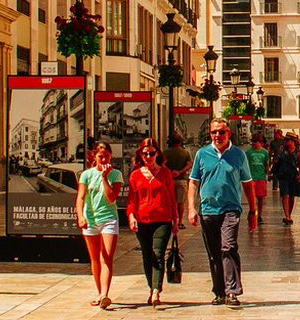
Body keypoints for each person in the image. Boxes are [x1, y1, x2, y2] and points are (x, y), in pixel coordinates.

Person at [188, 121, 249, 306]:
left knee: (228, 247)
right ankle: (219, 292)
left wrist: (253, 211)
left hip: (231, 209)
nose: (217, 135)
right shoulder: (202, 154)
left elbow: (247, 183)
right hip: (208, 210)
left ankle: (232, 291)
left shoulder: (238, 154)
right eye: (214, 132)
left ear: (228, 133)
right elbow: (193, 181)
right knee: (214, 252)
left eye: (221, 132)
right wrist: (191, 208)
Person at [123, 139, 178, 307]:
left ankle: (155, 291)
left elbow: (172, 198)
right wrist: (131, 216)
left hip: (163, 219)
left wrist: (176, 221)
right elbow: (131, 198)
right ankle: (152, 287)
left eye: (152, 153)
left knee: (158, 255)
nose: (148, 156)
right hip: (142, 220)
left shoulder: (165, 173)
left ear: (157, 154)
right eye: (145, 153)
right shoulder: (135, 175)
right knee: (147, 256)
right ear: (140, 155)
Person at [76, 141, 123, 308]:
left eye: (107, 156)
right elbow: (81, 197)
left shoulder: (115, 174)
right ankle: (99, 293)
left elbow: (111, 197)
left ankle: (105, 294)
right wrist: (80, 216)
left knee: (107, 256)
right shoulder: (86, 175)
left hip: (109, 218)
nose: (103, 160)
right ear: (94, 157)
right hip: (90, 220)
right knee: (95, 258)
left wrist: (104, 177)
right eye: (100, 157)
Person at [272, 137, 300, 226]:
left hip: (292, 175)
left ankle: (289, 215)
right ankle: (287, 216)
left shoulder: (298, 152)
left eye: (287, 140)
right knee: (285, 195)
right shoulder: (282, 149)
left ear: (292, 141)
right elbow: (277, 160)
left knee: (291, 196)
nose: (285, 142)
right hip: (283, 174)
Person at [244, 132, 271, 229]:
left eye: (255, 141)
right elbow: (246, 164)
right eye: (253, 141)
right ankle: (252, 212)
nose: (254, 143)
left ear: (261, 142)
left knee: (260, 198)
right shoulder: (249, 152)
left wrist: (268, 174)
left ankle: (259, 215)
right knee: (252, 197)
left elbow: (266, 164)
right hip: (251, 177)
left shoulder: (265, 152)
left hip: (261, 177)